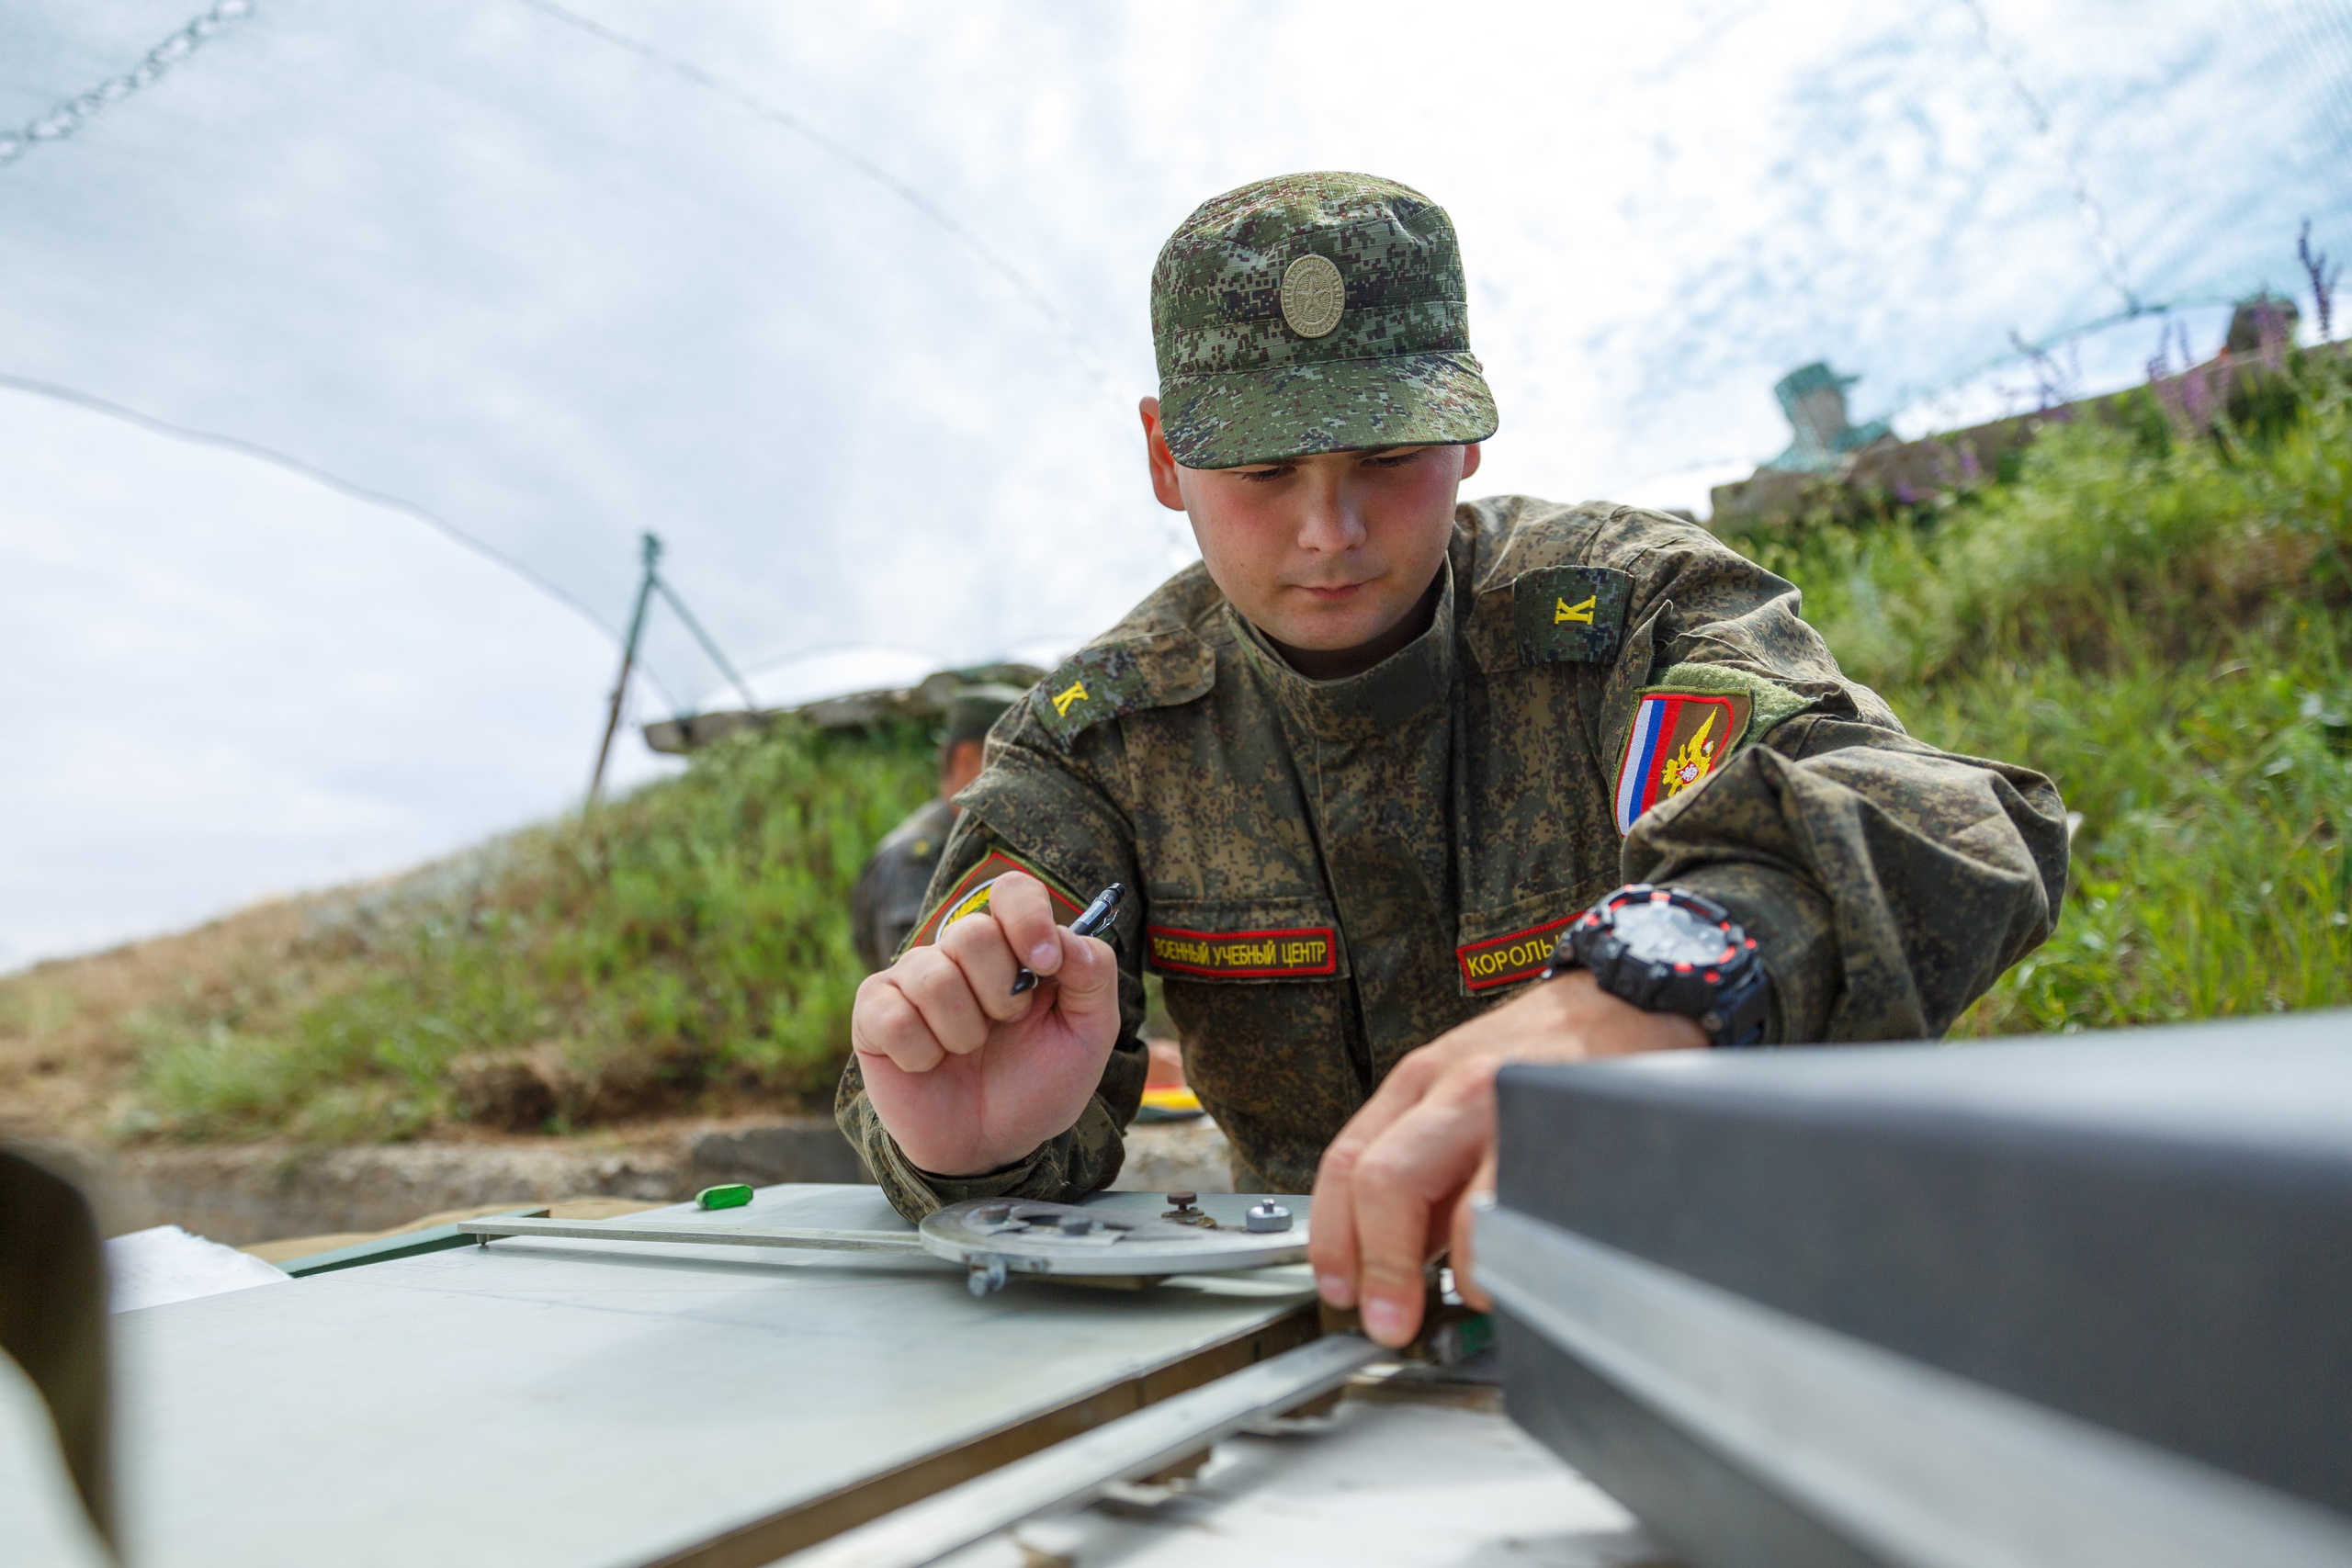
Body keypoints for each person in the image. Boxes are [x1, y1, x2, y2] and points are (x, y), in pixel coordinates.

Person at [837, 173, 2068, 1348]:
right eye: (1264, 472)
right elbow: (938, 1058)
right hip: (1317, 1335)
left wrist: (1653, 983)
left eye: (1385, 455)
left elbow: (1957, 825)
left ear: (1466, 428)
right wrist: (971, 1147)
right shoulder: (1099, 737)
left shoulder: (1628, 614)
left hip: (1690, 1295)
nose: (1332, 529)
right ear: (1166, 457)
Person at [849, 684, 1024, 972]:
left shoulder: (974, 839)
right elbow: (914, 972)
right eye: (1015, 760)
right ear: (968, 759)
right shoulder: (915, 860)